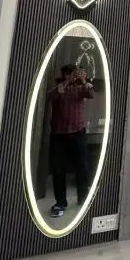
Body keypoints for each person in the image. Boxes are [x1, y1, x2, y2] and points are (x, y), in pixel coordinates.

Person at [47, 64, 94, 217]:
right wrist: (67, 82)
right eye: (69, 74)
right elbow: (51, 96)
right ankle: (60, 203)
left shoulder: (81, 88)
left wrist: (84, 80)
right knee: (58, 170)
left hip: (78, 132)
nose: (73, 76)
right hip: (58, 134)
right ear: (64, 75)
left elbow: (90, 93)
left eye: (74, 74)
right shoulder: (58, 87)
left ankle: (83, 198)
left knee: (83, 167)